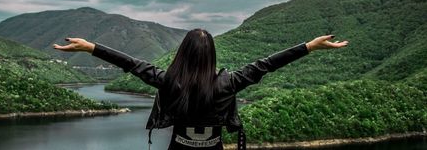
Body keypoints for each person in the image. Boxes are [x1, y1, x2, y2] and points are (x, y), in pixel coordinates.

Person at [54, 29, 348, 150]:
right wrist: (308, 46)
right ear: (212, 56)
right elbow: (267, 64)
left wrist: (92, 47)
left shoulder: (169, 81)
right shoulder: (228, 82)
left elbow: (131, 63)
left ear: (182, 53)